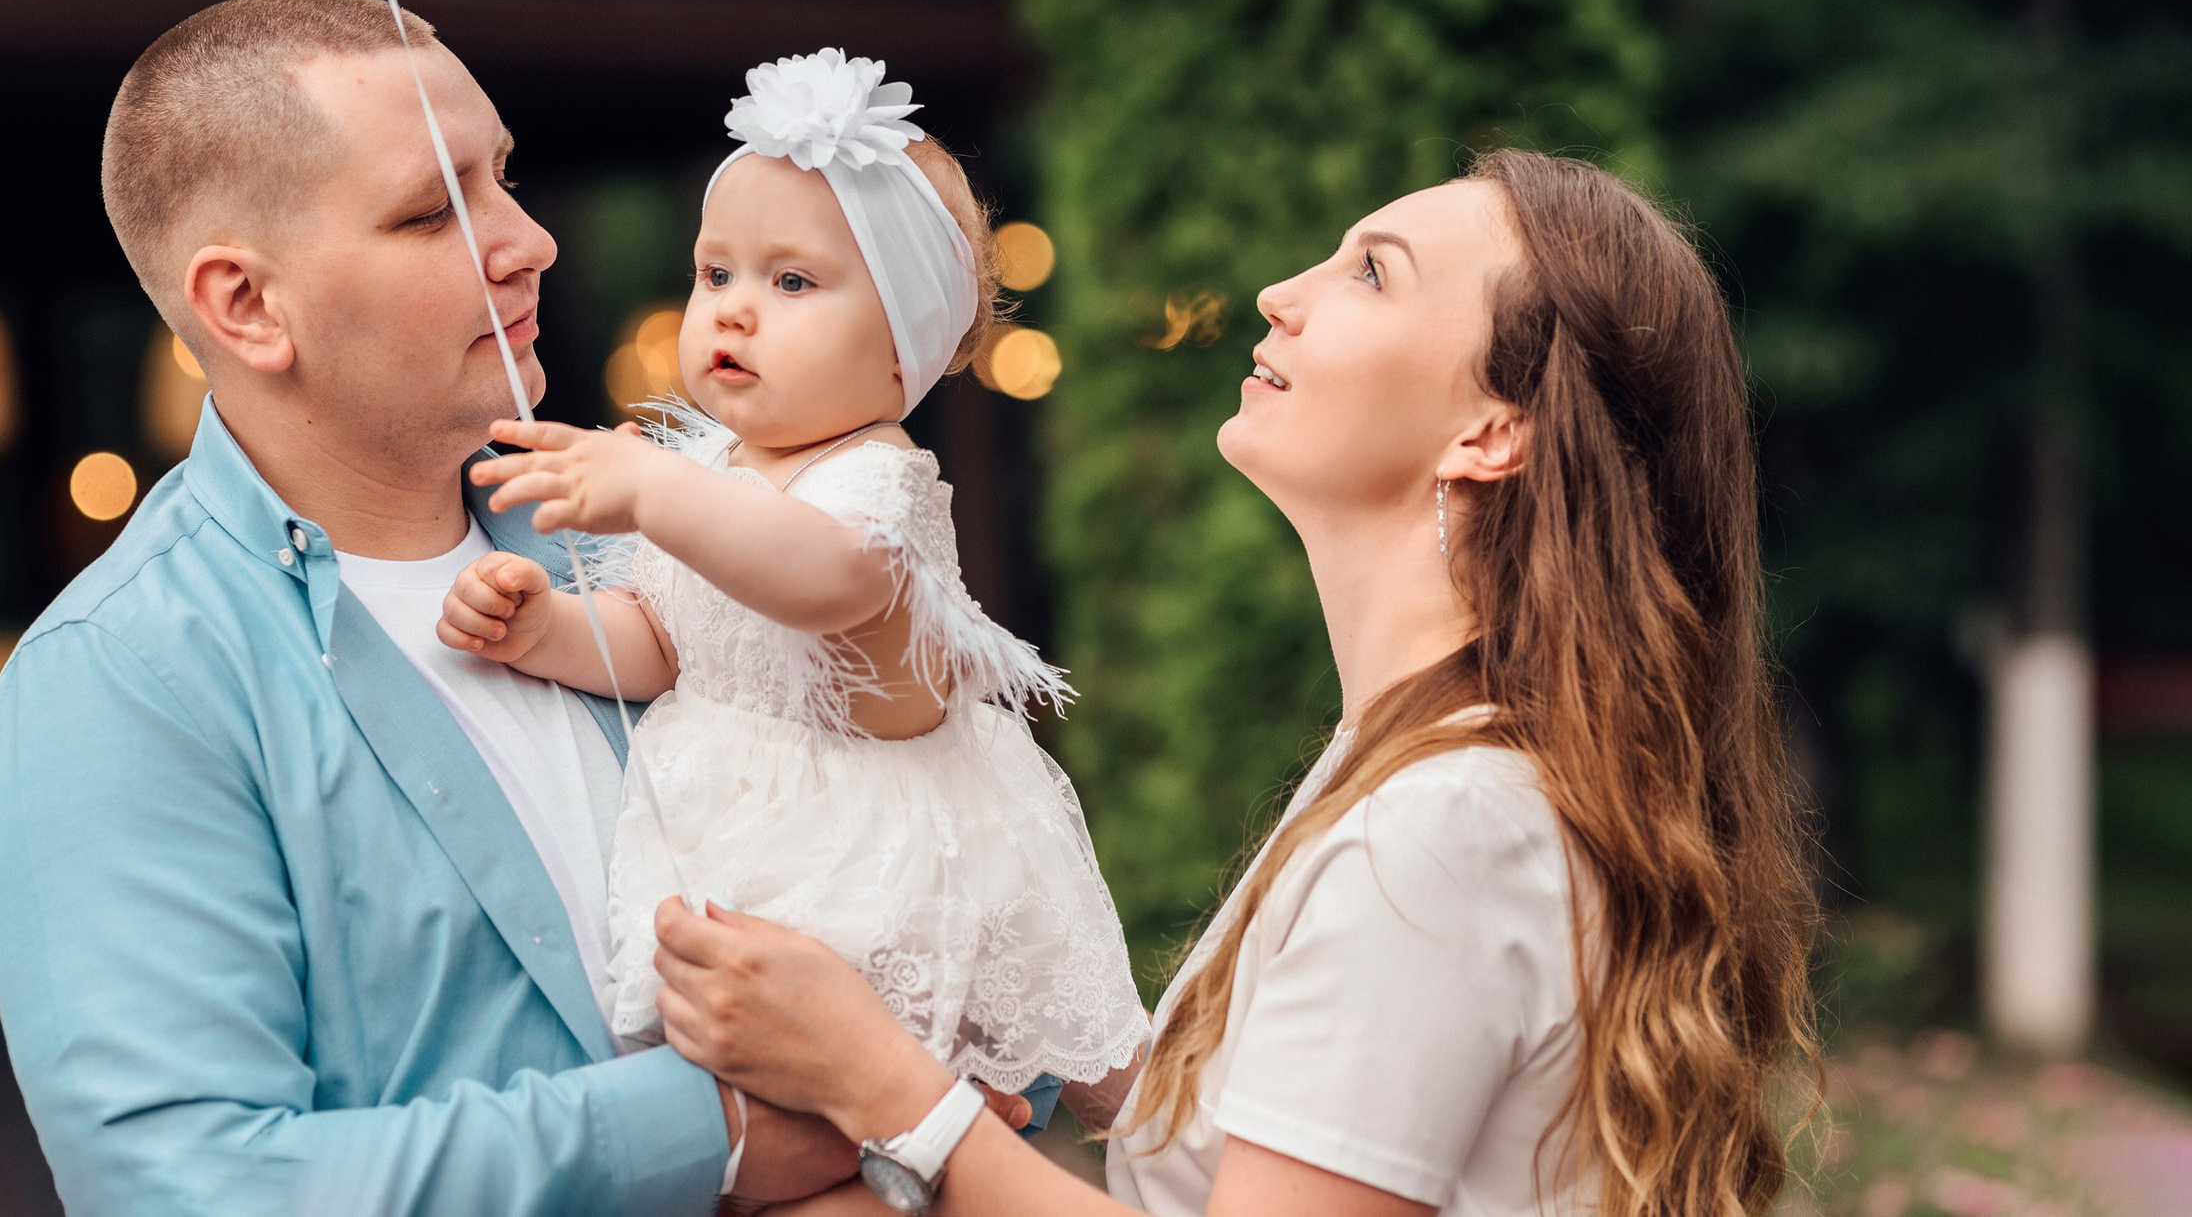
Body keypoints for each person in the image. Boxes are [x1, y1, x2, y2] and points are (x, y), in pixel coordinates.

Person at [640, 150, 1820, 1217]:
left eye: (1370, 272)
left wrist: (882, 1083)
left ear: (1490, 433)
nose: (1279, 291)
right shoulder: (1411, 766)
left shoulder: (1446, 824)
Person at [0, 0, 862, 1214]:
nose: (526, 239)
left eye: (503, 177)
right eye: (433, 210)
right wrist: (714, 1128)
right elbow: (184, 1187)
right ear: (247, 306)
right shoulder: (122, 682)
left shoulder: (645, 533)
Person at [438, 49, 1147, 1108]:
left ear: (903, 348)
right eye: (714, 272)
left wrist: (647, 493)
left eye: (793, 281)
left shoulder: (876, 479)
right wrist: (548, 630)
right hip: (746, 840)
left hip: (887, 860)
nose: (732, 309)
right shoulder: (701, 468)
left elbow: (820, 577)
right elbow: (668, 642)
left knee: (991, 1097)